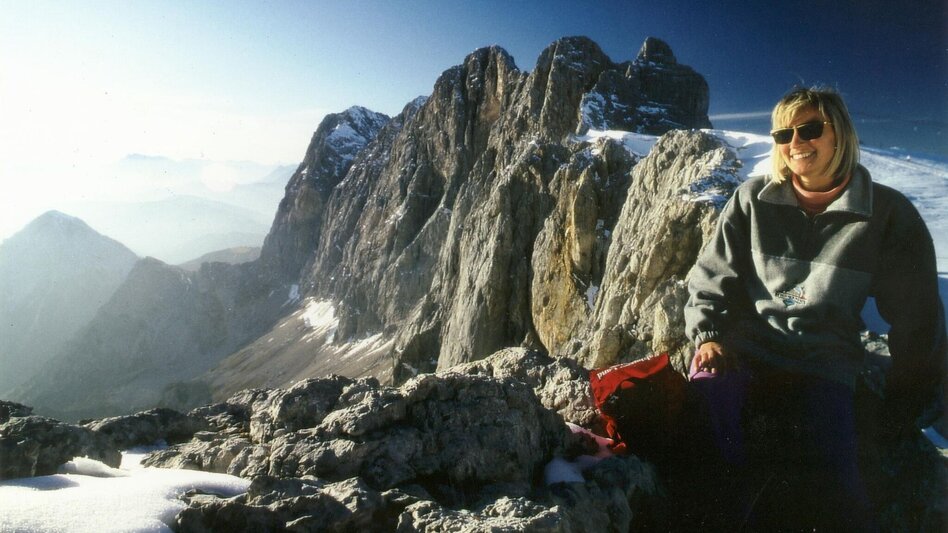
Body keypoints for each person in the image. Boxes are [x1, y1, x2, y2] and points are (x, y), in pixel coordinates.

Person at [683, 86, 946, 531]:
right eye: (783, 134)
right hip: (746, 350)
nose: (795, 143)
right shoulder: (752, 200)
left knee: (834, 489)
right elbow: (711, 277)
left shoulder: (885, 213)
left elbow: (917, 313)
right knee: (709, 456)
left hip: (824, 361)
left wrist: (908, 393)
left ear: (839, 133)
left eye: (809, 129)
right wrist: (708, 336)